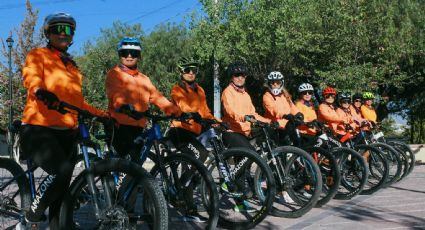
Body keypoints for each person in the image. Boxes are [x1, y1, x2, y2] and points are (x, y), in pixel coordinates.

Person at [18, 12, 107, 230]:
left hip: (67, 131)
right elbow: (31, 76)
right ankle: (31, 216)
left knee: (62, 186)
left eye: (68, 29)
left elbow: (78, 102)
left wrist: (104, 115)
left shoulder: (72, 67)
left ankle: (59, 225)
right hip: (39, 127)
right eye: (57, 28)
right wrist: (40, 91)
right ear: (48, 32)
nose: (63, 33)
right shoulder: (37, 54)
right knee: (63, 170)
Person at [105, 37, 181, 162]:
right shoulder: (114, 74)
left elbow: (157, 97)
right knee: (127, 166)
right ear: (120, 55)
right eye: (125, 53)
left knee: (136, 164)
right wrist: (125, 107)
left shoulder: (144, 79)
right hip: (119, 126)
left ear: (139, 56)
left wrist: (177, 111)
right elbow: (115, 95)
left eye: (133, 53)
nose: (129, 56)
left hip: (139, 125)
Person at [167, 58, 216, 222]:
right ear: (181, 72)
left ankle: (184, 198)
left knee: (194, 166)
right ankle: (187, 205)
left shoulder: (200, 90)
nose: (191, 73)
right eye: (187, 70)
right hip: (179, 131)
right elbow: (181, 105)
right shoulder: (176, 89)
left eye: (194, 70)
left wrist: (217, 121)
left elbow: (206, 111)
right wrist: (194, 114)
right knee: (198, 157)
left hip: (194, 132)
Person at [221, 62, 271, 150]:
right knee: (251, 154)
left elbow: (253, 114)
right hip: (232, 132)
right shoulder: (227, 92)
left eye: (242, 75)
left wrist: (269, 121)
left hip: (245, 132)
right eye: (237, 75)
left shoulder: (246, 95)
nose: (240, 78)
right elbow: (230, 111)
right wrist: (244, 117)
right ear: (231, 77)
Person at [262, 71, 301, 145]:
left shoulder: (284, 95)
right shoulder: (266, 96)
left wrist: (298, 113)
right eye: (272, 83)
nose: (275, 85)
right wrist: (284, 115)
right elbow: (272, 109)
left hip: (287, 124)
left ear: (281, 83)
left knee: (297, 143)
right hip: (275, 126)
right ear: (269, 84)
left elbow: (291, 106)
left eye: (278, 83)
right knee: (282, 148)